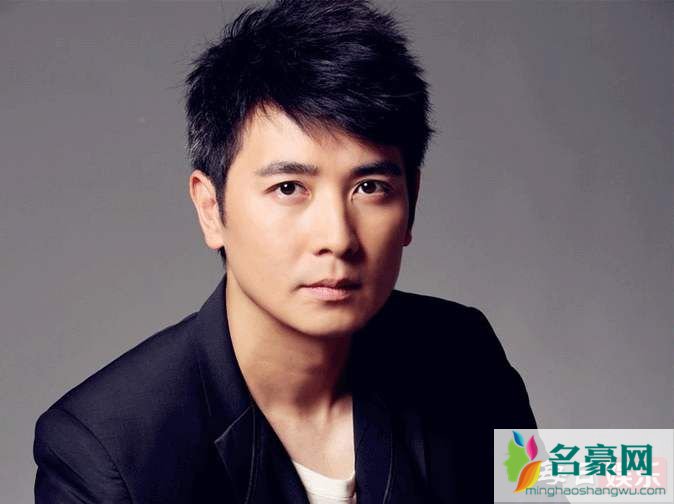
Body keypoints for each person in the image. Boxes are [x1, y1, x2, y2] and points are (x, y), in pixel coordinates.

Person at [33, 0, 536, 502]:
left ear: (412, 202)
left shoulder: (465, 351)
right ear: (211, 208)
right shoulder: (102, 450)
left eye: (370, 187)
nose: (337, 238)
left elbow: (558, 488)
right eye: (289, 188)